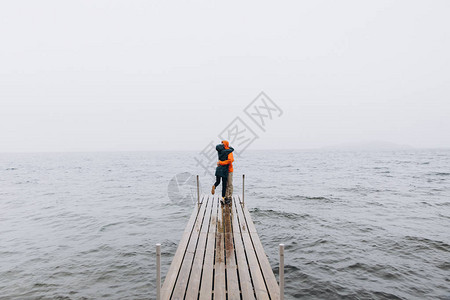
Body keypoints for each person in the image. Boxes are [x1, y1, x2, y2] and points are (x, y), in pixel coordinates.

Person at [218, 140, 234, 205]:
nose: (222, 145)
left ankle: (229, 197)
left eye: (223, 144)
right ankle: (226, 197)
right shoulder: (222, 152)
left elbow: (230, 160)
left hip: (229, 170)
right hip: (224, 170)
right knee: (225, 184)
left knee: (229, 184)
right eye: (221, 144)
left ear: (226, 144)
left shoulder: (229, 152)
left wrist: (221, 162)